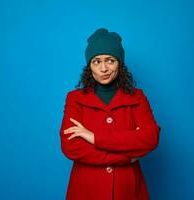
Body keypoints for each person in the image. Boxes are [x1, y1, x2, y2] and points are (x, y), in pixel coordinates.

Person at [59, 28, 160, 200]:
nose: (103, 68)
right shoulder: (75, 99)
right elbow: (71, 147)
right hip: (87, 189)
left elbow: (150, 138)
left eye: (110, 60)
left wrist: (93, 137)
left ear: (119, 63)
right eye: (96, 62)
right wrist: (127, 157)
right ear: (89, 66)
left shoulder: (138, 97)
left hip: (126, 189)